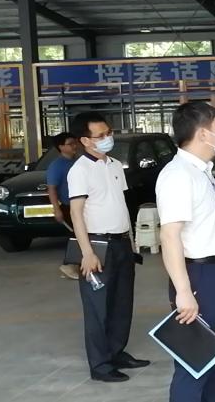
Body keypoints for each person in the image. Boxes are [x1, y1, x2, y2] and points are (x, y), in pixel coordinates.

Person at [156, 102, 215, 402]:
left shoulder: (201, 171)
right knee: (194, 364)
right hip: (199, 275)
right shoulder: (178, 175)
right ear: (203, 133)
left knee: (214, 358)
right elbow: (170, 235)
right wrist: (183, 291)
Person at [67, 111, 149, 382]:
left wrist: (132, 242)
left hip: (121, 242)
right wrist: (87, 253)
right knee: (98, 307)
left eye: (109, 132)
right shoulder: (80, 170)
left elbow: (120, 205)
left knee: (122, 302)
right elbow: (76, 213)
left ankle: (116, 352)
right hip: (97, 245)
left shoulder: (113, 164)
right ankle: (100, 365)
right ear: (85, 140)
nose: (107, 138)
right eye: (100, 135)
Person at [47, 131, 81, 280]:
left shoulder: (78, 162)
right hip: (68, 206)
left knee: (82, 235)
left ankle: (78, 265)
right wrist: (56, 209)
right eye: (70, 144)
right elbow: (51, 189)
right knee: (76, 235)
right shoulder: (56, 166)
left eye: (75, 143)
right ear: (61, 147)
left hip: (82, 205)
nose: (74, 146)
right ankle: (69, 265)